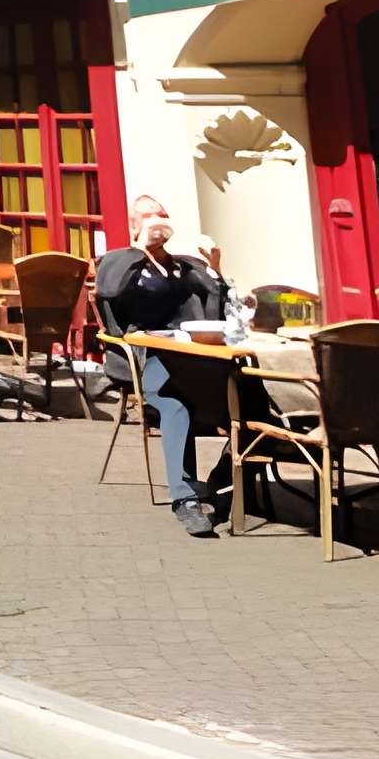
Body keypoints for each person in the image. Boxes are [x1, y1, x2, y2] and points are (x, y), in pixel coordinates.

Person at [95, 194, 234, 538]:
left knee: (250, 395)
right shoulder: (118, 261)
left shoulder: (185, 265)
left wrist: (215, 266)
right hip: (150, 358)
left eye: (162, 214)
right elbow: (109, 289)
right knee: (176, 405)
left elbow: (221, 307)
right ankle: (185, 499)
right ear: (133, 225)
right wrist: (141, 248)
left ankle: (223, 479)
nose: (157, 220)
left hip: (197, 357)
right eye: (148, 216)